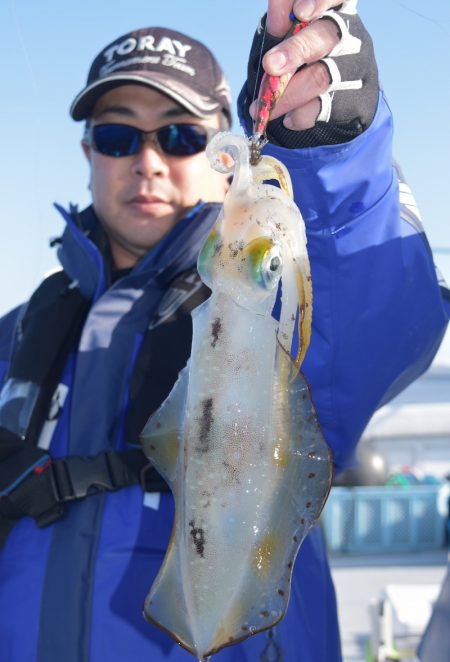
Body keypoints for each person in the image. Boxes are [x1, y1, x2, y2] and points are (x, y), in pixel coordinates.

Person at [0, 0, 448, 660]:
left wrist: (330, 151)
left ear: (223, 153)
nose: (147, 161)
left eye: (180, 136)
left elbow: (377, 321)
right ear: (88, 151)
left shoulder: (269, 304)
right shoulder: (19, 335)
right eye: (119, 137)